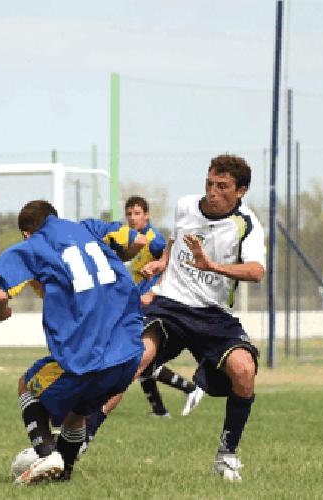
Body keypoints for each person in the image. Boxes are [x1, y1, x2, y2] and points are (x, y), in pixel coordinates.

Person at [0, 200, 148, 485]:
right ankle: (63, 477)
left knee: (27, 384)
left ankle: (47, 453)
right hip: (129, 352)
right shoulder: (89, 228)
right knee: (78, 413)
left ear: (27, 232)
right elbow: (138, 241)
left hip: (87, 356)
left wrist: (0, 314)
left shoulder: (33, 245)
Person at [134, 154, 266, 482]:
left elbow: (256, 271)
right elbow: (178, 239)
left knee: (244, 371)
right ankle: (74, 444)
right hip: (172, 305)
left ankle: (226, 455)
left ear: (241, 191)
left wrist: (212, 266)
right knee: (134, 359)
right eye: (209, 183)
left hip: (215, 316)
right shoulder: (185, 206)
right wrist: (163, 263)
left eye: (222, 186)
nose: (212, 191)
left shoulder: (247, 225)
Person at [81, 196, 205, 451]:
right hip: (137, 306)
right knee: (140, 361)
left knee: (134, 359)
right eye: (130, 213)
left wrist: (157, 285)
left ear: (146, 216)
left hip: (154, 308)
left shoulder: (156, 241)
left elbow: (173, 265)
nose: (133, 217)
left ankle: (189, 389)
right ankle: (162, 408)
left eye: (137, 213)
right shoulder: (130, 240)